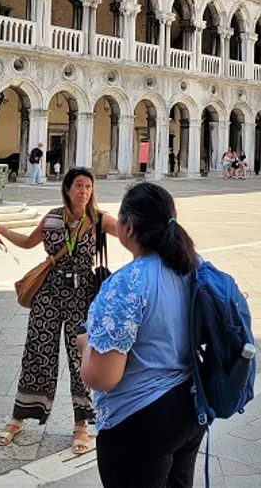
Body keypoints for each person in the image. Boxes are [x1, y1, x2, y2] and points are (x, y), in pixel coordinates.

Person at [77, 182, 204, 488]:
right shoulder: (192, 267)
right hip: (190, 406)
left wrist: (85, 346)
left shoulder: (127, 283)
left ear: (128, 228)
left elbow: (101, 377)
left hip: (140, 418)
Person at [0, 167, 118, 456]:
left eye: (87, 186)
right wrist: (2, 230)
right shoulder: (51, 217)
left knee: (80, 358)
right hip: (48, 293)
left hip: (83, 296)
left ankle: (81, 424)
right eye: (78, 186)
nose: (83, 191)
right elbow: (27, 243)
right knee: (37, 351)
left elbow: (126, 231)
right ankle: (18, 417)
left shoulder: (98, 219)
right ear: (67, 188)